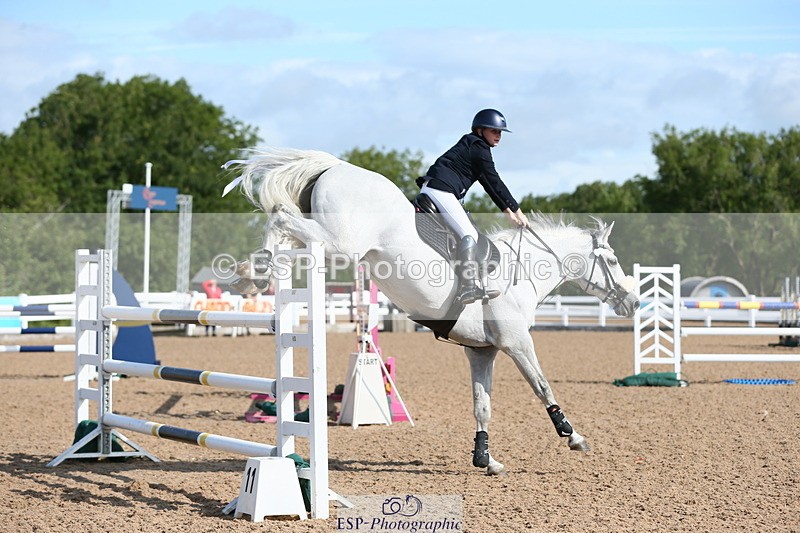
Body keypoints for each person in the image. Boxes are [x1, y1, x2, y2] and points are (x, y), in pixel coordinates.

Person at [418, 108, 530, 305]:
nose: (499, 136)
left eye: (500, 132)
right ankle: (467, 288)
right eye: (494, 131)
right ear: (480, 130)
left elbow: (488, 184)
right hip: (441, 190)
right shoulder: (479, 148)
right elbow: (496, 182)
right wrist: (518, 210)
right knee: (468, 234)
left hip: (436, 188)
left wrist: (509, 212)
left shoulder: (474, 145)